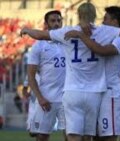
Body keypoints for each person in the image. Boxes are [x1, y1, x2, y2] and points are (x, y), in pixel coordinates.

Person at [21, 3, 120, 141]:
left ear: (78, 15)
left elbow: (41, 35)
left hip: (72, 91)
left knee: (72, 136)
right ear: (95, 15)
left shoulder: (67, 31)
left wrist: (27, 30)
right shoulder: (104, 31)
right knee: (89, 136)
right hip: (95, 93)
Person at [64, 6, 120, 141]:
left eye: (106, 19)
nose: (102, 22)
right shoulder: (103, 35)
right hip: (98, 91)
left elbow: (101, 51)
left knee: (108, 137)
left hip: (111, 93)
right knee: (93, 136)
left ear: (115, 23)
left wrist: (81, 35)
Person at [27, 10, 66, 141]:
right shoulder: (38, 46)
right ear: (46, 24)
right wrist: (40, 97)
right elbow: (31, 76)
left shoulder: (69, 43)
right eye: (53, 21)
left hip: (67, 98)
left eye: (59, 20)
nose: (56, 23)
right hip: (47, 98)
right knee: (42, 136)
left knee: (71, 135)